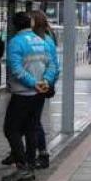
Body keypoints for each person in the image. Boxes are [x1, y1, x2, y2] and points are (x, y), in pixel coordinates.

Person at [2, 11, 57, 181]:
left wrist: (34, 83)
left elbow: (16, 69)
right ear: (30, 24)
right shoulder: (41, 41)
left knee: (11, 129)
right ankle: (31, 165)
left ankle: (22, 167)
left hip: (23, 94)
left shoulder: (15, 42)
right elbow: (52, 65)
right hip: (39, 94)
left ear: (14, 26)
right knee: (31, 129)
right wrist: (45, 82)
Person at [30, 10, 59, 169]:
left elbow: (52, 65)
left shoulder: (43, 41)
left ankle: (42, 153)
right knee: (31, 120)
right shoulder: (44, 38)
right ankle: (29, 152)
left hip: (39, 86)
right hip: (37, 85)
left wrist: (46, 83)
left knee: (34, 120)